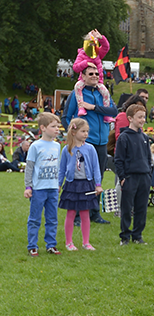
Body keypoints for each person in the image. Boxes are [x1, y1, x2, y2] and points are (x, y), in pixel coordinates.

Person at [63, 62, 117, 224]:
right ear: (83, 76)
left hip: (101, 143)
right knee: (82, 178)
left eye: (96, 73)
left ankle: (94, 213)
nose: (94, 76)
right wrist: (72, 136)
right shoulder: (77, 94)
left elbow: (114, 111)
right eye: (90, 74)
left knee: (97, 178)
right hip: (85, 143)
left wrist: (93, 107)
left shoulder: (103, 93)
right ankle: (78, 215)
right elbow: (66, 117)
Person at [58, 118, 102, 251]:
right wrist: (59, 184)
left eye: (87, 131)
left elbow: (96, 167)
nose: (86, 134)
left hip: (86, 184)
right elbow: (61, 169)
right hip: (71, 185)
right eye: (83, 131)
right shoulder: (67, 149)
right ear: (73, 132)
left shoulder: (90, 149)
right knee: (70, 213)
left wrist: (98, 184)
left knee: (85, 213)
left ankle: (86, 242)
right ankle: (69, 242)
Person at [24, 113, 62, 256]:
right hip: (38, 189)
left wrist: (58, 183)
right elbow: (29, 168)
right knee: (34, 219)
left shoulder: (57, 146)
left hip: (52, 189)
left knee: (52, 219)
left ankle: (51, 245)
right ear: (43, 128)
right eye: (53, 126)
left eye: (58, 126)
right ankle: (32, 245)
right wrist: (28, 187)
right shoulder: (35, 146)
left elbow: (57, 166)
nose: (57, 129)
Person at [115, 104, 153, 246]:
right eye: (139, 117)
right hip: (130, 177)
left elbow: (148, 158)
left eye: (144, 117)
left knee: (141, 208)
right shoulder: (124, 137)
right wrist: (122, 177)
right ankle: (125, 236)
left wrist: (149, 174)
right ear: (130, 118)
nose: (143, 120)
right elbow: (118, 159)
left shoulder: (144, 137)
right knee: (126, 208)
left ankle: (137, 235)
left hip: (144, 177)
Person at [72, 30, 113, 122]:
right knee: (77, 87)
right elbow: (75, 67)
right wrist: (86, 63)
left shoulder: (98, 53)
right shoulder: (82, 54)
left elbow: (106, 47)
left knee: (106, 93)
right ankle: (81, 107)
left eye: (95, 44)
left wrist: (101, 38)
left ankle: (106, 115)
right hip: (84, 80)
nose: (93, 46)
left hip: (98, 81)